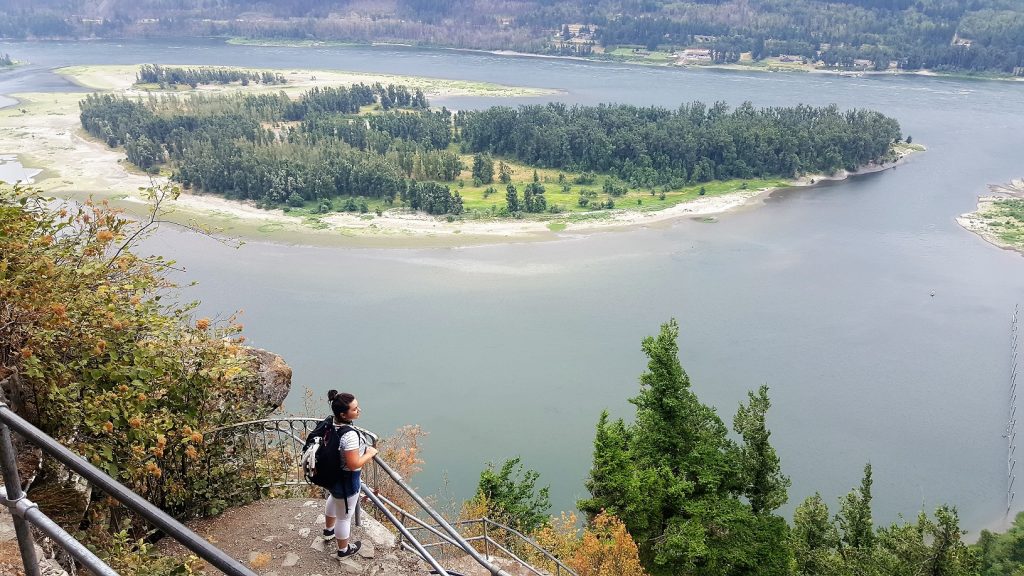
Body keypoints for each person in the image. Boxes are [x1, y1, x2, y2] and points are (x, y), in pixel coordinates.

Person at [322, 392, 377, 559]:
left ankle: (328, 531)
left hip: (331, 475)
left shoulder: (330, 423)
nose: (359, 410)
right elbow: (353, 464)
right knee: (344, 518)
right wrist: (370, 453)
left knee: (333, 498)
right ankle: (343, 550)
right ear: (343, 415)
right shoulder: (350, 435)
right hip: (346, 480)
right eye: (354, 409)